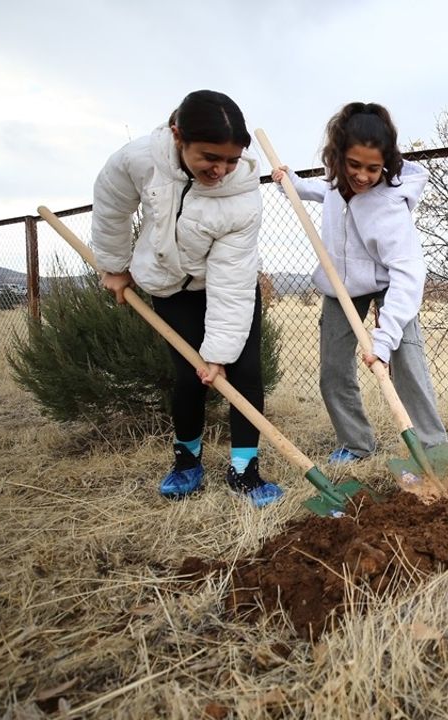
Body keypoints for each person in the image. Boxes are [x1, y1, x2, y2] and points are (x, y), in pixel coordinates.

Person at [90, 89, 283, 508]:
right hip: (167, 283)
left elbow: (231, 283)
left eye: (231, 160)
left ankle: (244, 469)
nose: (221, 169)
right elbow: (111, 207)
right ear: (178, 135)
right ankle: (186, 461)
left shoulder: (242, 194)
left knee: (244, 371)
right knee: (188, 376)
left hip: (226, 282)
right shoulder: (139, 160)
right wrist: (115, 265)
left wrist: (218, 353)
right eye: (210, 157)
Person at [271, 102, 448, 464]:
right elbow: (328, 194)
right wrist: (293, 184)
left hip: (388, 286)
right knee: (333, 371)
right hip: (340, 287)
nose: (363, 176)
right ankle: (356, 444)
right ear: (338, 157)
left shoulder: (390, 207)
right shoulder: (339, 185)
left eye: (373, 168)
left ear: (386, 163)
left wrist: (383, 340)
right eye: (354, 165)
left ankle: (432, 450)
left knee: (407, 363)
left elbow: (407, 275)